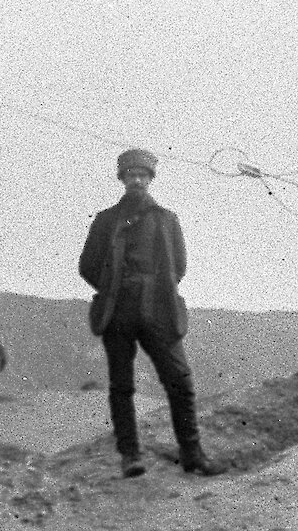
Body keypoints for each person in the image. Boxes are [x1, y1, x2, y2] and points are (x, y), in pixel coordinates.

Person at [79, 148, 225, 478]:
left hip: (158, 310)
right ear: (122, 179)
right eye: (130, 175)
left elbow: (180, 265)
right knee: (121, 386)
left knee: (180, 380)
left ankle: (193, 454)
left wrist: (155, 288)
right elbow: (87, 265)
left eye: (142, 176)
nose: (137, 181)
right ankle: (130, 456)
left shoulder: (166, 219)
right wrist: (113, 283)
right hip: (117, 311)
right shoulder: (105, 220)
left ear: (151, 179)